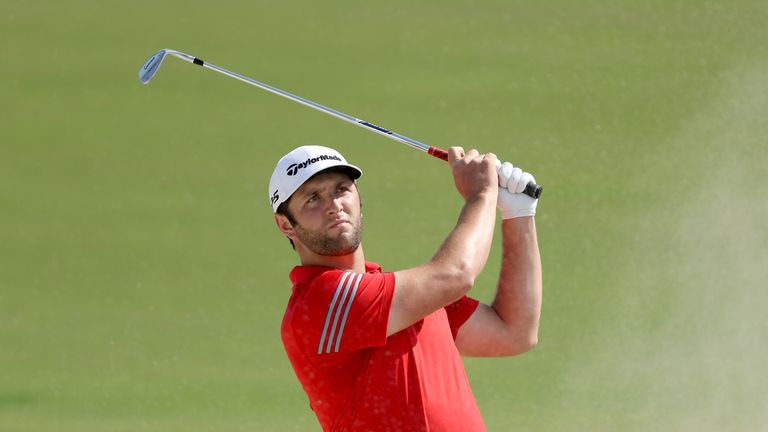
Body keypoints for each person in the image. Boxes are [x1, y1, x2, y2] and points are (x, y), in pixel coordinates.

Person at [269, 144, 542, 431]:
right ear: (286, 224)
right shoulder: (320, 300)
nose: (333, 205)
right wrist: (482, 195)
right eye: (312, 198)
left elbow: (514, 332)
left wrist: (519, 213)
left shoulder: (404, 298)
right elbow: (457, 273)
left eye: (341, 189)